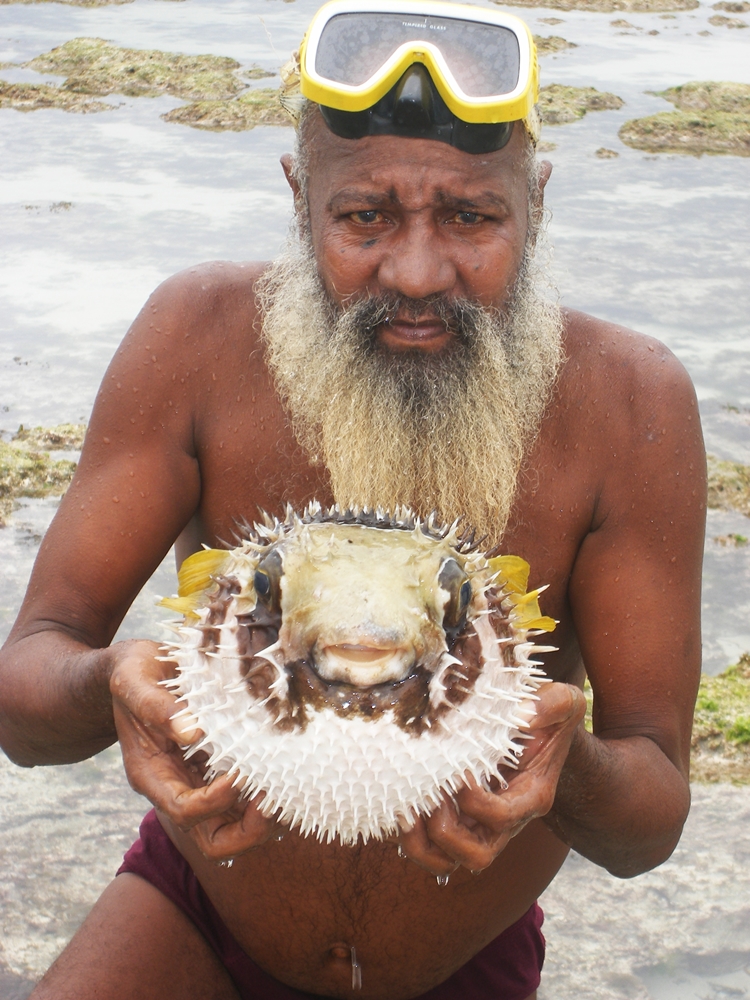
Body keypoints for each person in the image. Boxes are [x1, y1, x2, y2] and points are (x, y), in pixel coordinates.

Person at [0, 2, 706, 998]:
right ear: (298, 200)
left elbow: (652, 819)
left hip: (464, 957)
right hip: (194, 913)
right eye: (364, 217)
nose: (416, 274)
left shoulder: (632, 403)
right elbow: (25, 698)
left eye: (472, 216)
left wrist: (573, 767)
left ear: (536, 205)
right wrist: (106, 680)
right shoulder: (195, 341)